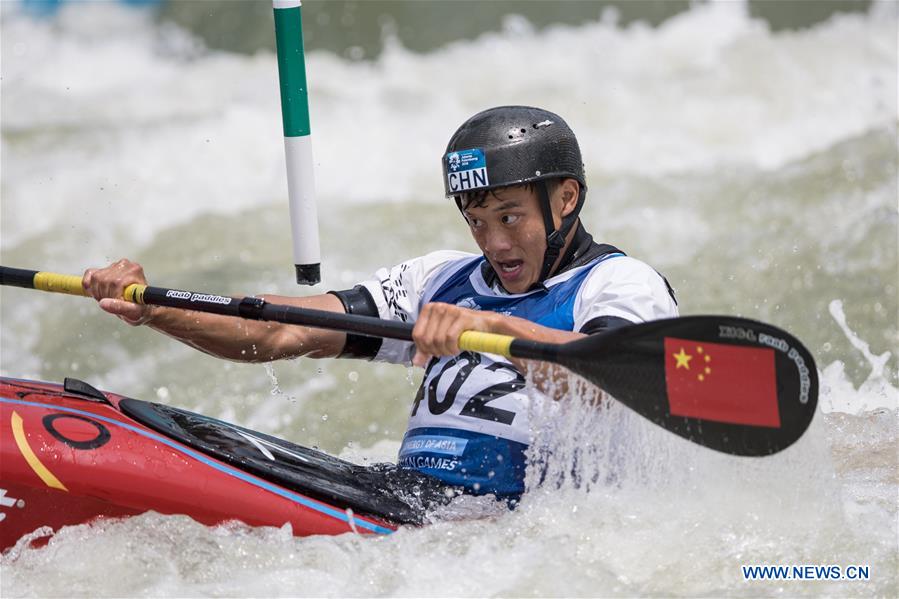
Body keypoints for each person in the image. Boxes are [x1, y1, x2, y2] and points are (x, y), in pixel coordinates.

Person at [83, 106, 678, 504]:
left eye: (509, 217)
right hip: (407, 501)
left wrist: (490, 325)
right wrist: (152, 305)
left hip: (521, 527)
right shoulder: (438, 279)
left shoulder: (620, 284)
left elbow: (614, 377)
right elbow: (281, 332)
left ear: (566, 198)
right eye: (476, 221)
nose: (493, 243)